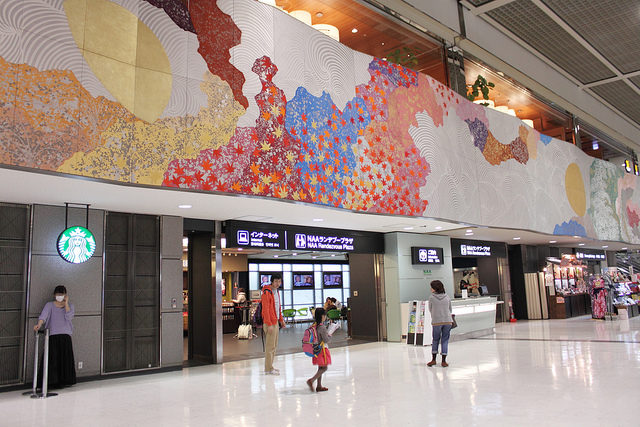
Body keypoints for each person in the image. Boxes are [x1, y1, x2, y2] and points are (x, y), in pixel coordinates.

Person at [34, 285, 77, 389]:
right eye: (58, 294)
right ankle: (50, 381)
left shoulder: (70, 306)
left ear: (65, 295)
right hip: (52, 335)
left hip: (65, 335)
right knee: (52, 359)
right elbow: (43, 316)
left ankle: (65, 380)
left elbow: (69, 317)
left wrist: (66, 304)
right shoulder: (49, 305)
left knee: (64, 359)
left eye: (61, 295)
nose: (60, 296)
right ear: (54, 295)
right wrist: (39, 324)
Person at [262, 273, 285, 375]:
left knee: (274, 345)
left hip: (275, 321)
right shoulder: (266, 292)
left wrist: (281, 320)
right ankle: (268, 368)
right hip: (270, 322)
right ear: (272, 281)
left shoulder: (276, 291)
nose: (278, 283)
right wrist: (269, 323)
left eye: (279, 281)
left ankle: (270, 366)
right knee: (270, 346)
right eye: (276, 281)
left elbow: (278, 307)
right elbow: (266, 309)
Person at [427, 280, 453, 367]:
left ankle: (433, 359)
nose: (430, 289)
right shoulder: (447, 297)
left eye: (431, 287)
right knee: (445, 340)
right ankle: (444, 361)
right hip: (447, 321)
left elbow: (430, 309)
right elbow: (450, 309)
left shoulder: (431, 298)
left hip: (436, 321)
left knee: (435, 340)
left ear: (435, 288)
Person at [306, 307, 332, 392]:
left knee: (320, 367)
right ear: (322, 316)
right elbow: (325, 340)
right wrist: (330, 335)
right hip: (323, 349)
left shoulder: (314, 326)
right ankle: (312, 380)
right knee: (324, 368)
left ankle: (319, 386)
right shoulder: (322, 327)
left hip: (316, 349)